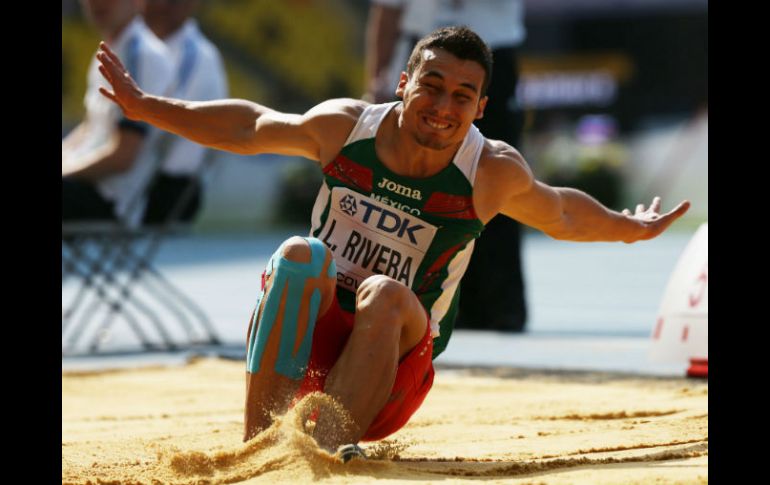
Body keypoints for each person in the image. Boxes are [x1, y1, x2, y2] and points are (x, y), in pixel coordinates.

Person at [94, 26, 690, 458]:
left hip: (390, 375)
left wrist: (628, 227)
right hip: (311, 345)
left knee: (385, 292)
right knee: (300, 256)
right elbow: (250, 126)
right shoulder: (345, 126)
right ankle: (260, 452)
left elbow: (560, 212)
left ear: (480, 109)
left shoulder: (491, 172)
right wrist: (148, 107)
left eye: (461, 96)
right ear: (403, 83)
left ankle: (318, 456)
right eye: (431, 86)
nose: (441, 107)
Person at [366, 0, 530, 331]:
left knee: (495, 178)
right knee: (407, 185)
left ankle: (501, 305)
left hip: (491, 55)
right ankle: (405, 300)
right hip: (424, 58)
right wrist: (376, 77)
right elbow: (387, 9)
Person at [62, 0, 175, 227]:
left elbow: (124, 155)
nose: (97, 4)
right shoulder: (111, 50)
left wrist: (65, 172)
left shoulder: (142, 54)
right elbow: (89, 127)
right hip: (89, 188)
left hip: (110, 199)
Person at [140, 0, 228, 224]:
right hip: (140, 176)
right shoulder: (141, 45)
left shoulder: (195, 55)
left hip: (164, 186)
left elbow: (158, 131)